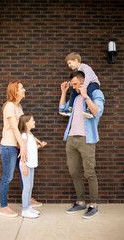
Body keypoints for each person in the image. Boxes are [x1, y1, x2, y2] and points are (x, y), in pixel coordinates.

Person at [59, 71, 105, 219]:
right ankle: (80, 202)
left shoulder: (95, 93)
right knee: (74, 172)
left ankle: (94, 205)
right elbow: (62, 109)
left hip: (87, 140)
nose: (74, 87)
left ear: (83, 81)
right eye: (72, 85)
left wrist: (85, 95)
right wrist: (64, 92)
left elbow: (97, 112)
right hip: (71, 139)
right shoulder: (74, 96)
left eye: (76, 84)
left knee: (89, 173)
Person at [0, 80, 42, 218]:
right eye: (21, 88)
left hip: (17, 146)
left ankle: (27, 201)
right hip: (9, 146)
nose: (24, 90)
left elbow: (23, 127)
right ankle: (3, 206)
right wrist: (23, 146)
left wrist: (35, 140)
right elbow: (14, 128)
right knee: (8, 176)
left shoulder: (19, 106)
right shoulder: (9, 106)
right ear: (15, 91)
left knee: (24, 174)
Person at [18, 114, 47, 219]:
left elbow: (30, 150)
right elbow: (23, 150)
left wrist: (39, 145)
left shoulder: (30, 135)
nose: (34, 122)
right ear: (26, 123)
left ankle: (29, 207)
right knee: (26, 187)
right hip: (26, 165)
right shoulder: (24, 136)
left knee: (30, 186)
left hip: (31, 165)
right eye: (32, 120)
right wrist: (24, 165)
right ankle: (25, 210)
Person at [59, 52, 100, 118]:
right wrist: (68, 84)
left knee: (88, 91)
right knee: (73, 92)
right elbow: (76, 80)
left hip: (93, 83)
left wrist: (84, 88)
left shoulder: (85, 68)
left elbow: (88, 78)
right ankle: (70, 109)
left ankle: (89, 109)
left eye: (70, 63)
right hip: (84, 85)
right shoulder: (77, 71)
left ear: (76, 60)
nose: (69, 65)